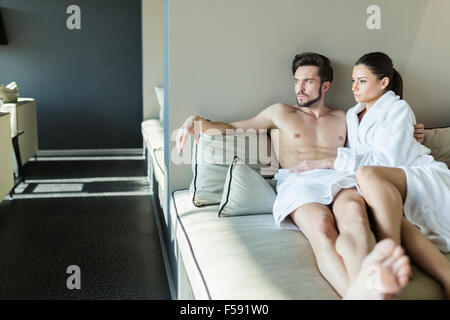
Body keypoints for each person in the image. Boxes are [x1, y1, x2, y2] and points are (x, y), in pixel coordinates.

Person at [176, 52, 423, 299]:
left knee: (356, 220)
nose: (299, 88)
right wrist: (198, 122)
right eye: (296, 81)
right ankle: (361, 295)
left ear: (325, 86)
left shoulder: (345, 117)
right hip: (298, 182)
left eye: (307, 81)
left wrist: (413, 134)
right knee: (322, 228)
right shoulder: (280, 113)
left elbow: (378, 142)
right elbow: (234, 128)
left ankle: (367, 287)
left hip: (339, 178)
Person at [299, 52, 450, 298]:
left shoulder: (398, 108)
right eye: (353, 81)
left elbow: (389, 160)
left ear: (383, 83)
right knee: (376, 204)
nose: (354, 88)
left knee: (367, 174)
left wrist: (331, 160)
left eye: (362, 81)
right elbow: (358, 157)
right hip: (384, 183)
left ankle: (388, 252)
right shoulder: (352, 114)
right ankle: (444, 277)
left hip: (415, 173)